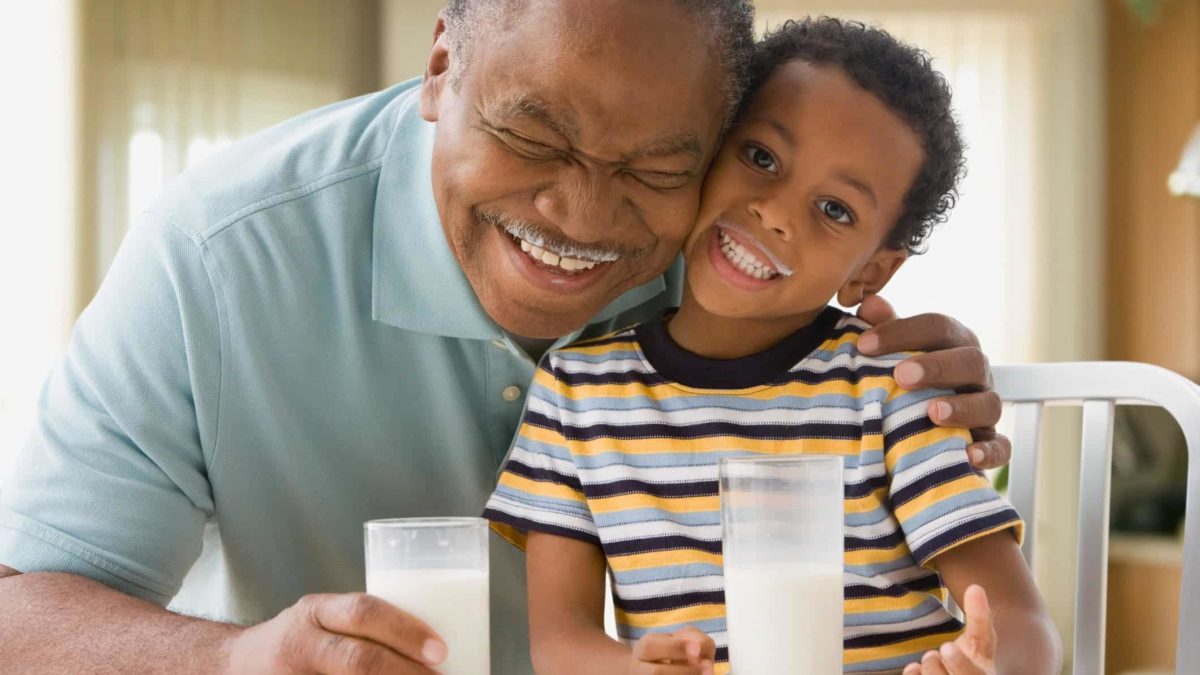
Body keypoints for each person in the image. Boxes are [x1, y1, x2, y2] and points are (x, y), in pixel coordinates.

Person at [0, 2, 1012, 673]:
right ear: (442, 64)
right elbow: (18, 613)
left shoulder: (728, 243)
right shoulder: (217, 254)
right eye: (532, 136)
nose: (581, 214)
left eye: (658, 167)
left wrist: (914, 375)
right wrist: (232, 661)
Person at [483, 17, 1060, 675]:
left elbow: (1022, 624)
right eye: (761, 158)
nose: (777, 212)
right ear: (704, 152)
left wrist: (987, 665)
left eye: (835, 210)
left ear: (869, 273)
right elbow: (560, 643)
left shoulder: (891, 390)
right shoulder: (576, 393)